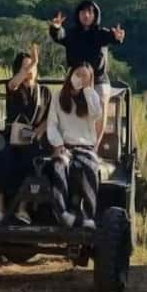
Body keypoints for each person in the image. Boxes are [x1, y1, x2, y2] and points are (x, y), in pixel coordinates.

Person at [0, 44, 53, 224]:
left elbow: (50, 117)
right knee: (1, 157)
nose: (30, 69)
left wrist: (39, 131)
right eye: (25, 67)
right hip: (12, 137)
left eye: (33, 66)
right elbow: (13, 84)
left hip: (33, 139)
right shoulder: (14, 88)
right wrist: (30, 64)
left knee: (34, 161)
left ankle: (22, 209)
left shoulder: (44, 92)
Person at [49, 0, 125, 142]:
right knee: (68, 108)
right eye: (83, 11)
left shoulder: (100, 33)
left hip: (98, 80)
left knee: (100, 110)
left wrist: (117, 37)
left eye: (90, 12)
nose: (86, 15)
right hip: (76, 78)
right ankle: (71, 143)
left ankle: (95, 147)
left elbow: (112, 37)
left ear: (95, 15)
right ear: (78, 14)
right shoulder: (71, 33)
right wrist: (56, 28)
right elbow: (60, 36)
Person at [45, 63, 104, 229]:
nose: (80, 78)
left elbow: (96, 113)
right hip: (65, 146)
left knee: (88, 167)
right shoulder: (58, 97)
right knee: (58, 165)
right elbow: (52, 124)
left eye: (85, 76)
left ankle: (87, 215)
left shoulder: (91, 96)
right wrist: (58, 144)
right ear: (71, 74)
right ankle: (62, 213)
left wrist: (88, 90)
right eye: (78, 74)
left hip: (86, 147)